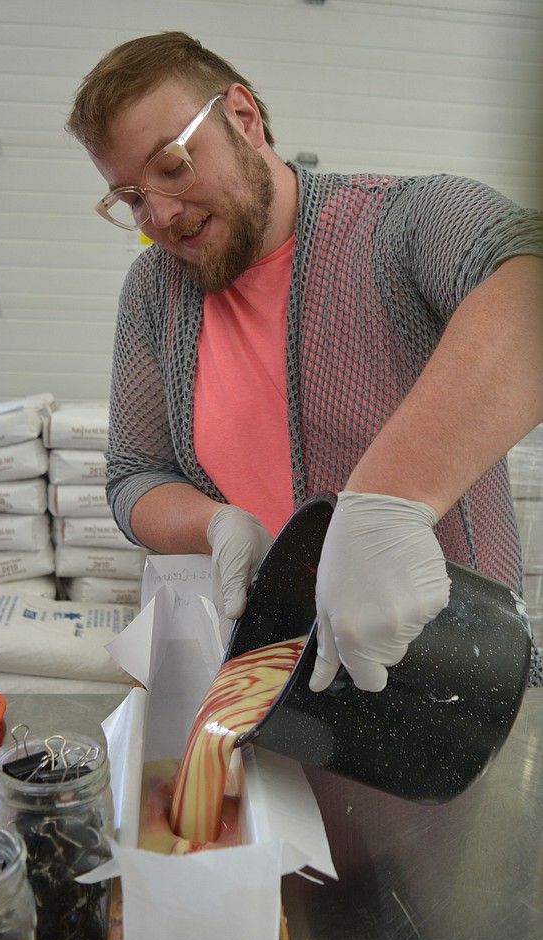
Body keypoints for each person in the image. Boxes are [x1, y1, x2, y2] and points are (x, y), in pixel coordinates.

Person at [67, 31, 543, 690]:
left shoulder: (394, 227)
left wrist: (389, 503)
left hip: (458, 686)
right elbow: (134, 476)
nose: (163, 214)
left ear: (242, 117)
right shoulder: (155, 291)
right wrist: (216, 522)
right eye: (132, 198)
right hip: (287, 681)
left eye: (172, 166)